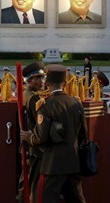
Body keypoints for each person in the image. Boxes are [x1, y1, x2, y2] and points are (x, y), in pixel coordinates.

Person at [22, 64, 86, 203]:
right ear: (64, 82)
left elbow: (41, 137)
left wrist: (28, 137)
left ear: (47, 83)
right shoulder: (76, 103)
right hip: (73, 162)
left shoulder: (45, 105)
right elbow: (83, 134)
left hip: (52, 165)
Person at [19, 61, 46, 203]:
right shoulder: (34, 98)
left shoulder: (27, 94)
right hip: (34, 148)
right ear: (29, 80)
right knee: (32, 185)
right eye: (37, 78)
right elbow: (41, 124)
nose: (42, 81)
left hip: (29, 147)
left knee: (26, 182)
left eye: (42, 78)